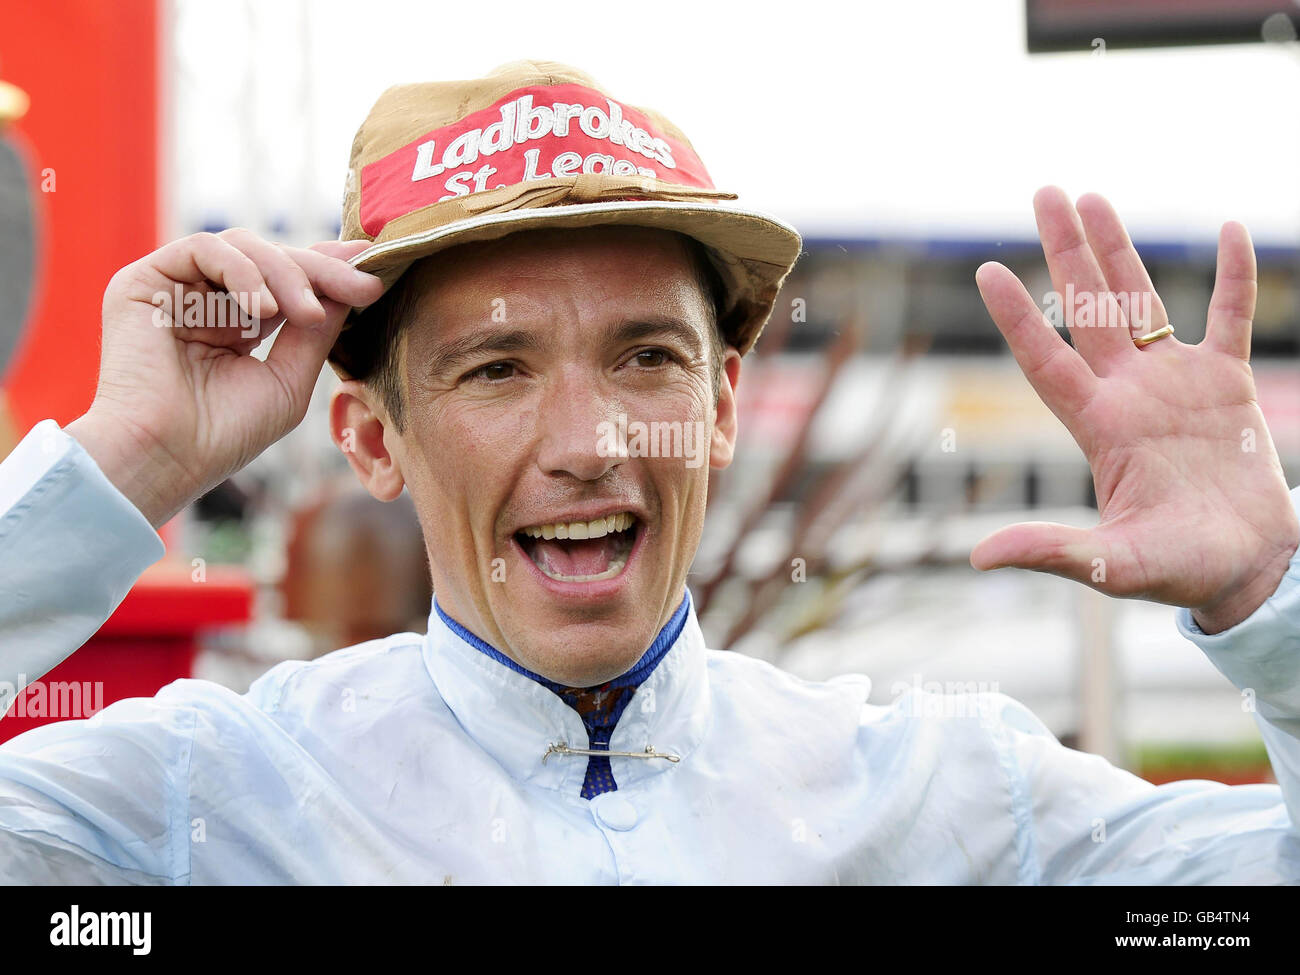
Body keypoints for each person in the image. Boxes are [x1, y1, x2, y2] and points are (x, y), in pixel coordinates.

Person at [0, 59, 1297, 884]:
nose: (589, 444)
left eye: (644, 358)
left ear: (724, 402)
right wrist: (126, 461)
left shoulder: (942, 794)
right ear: (373, 440)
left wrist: (1271, 608)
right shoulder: (206, 800)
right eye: (497, 368)